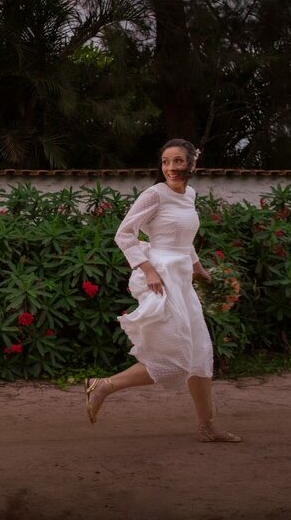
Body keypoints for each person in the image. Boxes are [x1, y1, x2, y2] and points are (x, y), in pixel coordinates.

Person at [84, 138, 241, 442]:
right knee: (175, 357)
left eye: (178, 161)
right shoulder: (154, 195)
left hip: (183, 279)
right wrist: (149, 270)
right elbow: (124, 234)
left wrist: (200, 270)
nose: (170, 167)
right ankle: (103, 385)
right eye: (166, 161)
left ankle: (207, 427)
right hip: (161, 278)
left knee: (200, 353)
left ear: (192, 163)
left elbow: (184, 240)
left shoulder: (190, 195)